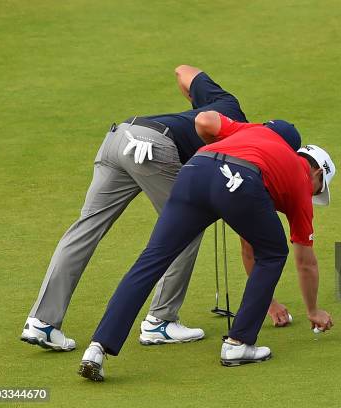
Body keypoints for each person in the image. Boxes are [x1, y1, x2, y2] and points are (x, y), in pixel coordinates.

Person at [21, 65, 295, 352]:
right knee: (186, 228)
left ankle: (42, 322)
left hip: (119, 138)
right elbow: (250, 234)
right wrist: (268, 301)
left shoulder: (224, 103)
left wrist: (194, 105)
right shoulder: (248, 141)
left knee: (85, 228)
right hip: (155, 148)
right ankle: (160, 321)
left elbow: (184, 72)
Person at [78, 109, 336, 381]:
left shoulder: (252, 133)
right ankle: (238, 344)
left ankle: (97, 347)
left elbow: (206, 120)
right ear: (317, 173)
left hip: (195, 171)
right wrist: (313, 310)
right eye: (319, 189)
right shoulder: (299, 179)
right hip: (240, 181)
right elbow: (305, 262)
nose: (313, 194)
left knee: (152, 258)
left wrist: (269, 302)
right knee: (275, 253)